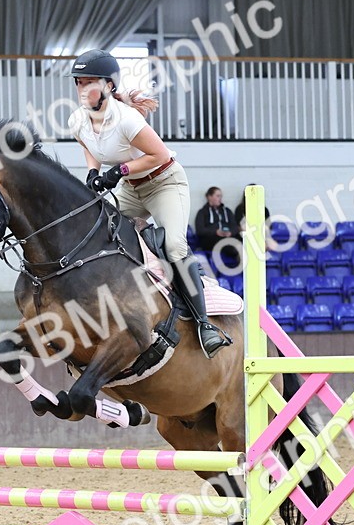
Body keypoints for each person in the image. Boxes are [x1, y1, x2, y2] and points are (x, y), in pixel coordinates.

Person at [67, 49, 230, 359]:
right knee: (98, 234)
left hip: (164, 183)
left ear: (109, 86)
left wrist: (119, 171)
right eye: (79, 83)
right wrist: (92, 172)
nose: (83, 89)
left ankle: (203, 323)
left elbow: (161, 156)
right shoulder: (77, 120)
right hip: (131, 188)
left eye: (90, 82)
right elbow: (90, 147)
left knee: (175, 247)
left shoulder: (127, 119)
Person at [193, 186, 236, 252]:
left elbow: (235, 226)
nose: (220, 199)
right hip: (211, 239)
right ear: (209, 197)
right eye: (218, 196)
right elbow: (200, 230)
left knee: (241, 240)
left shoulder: (227, 211)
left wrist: (230, 232)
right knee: (225, 243)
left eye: (221, 196)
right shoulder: (202, 212)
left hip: (227, 237)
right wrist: (215, 232)